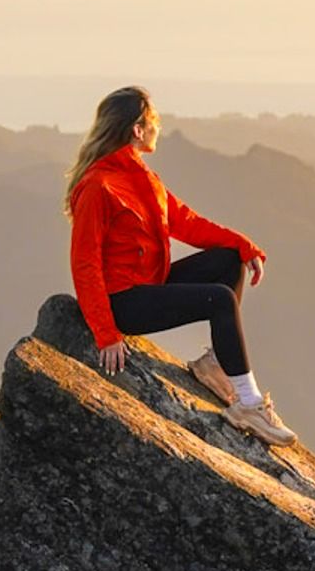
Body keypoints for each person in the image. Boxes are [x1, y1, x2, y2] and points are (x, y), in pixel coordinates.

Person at [63, 86, 296, 447]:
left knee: (227, 260)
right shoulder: (99, 186)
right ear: (137, 129)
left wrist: (243, 245)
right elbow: (85, 263)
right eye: (154, 122)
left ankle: (216, 366)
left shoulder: (141, 177)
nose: (159, 128)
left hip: (149, 284)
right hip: (123, 301)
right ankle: (248, 405)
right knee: (219, 300)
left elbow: (186, 222)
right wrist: (106, 332)